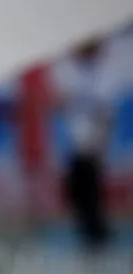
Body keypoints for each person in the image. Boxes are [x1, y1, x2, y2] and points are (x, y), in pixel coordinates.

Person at [53, 39, 113, 249]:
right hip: (75, 146)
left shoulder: (104, 75)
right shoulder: (70, 73)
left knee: (91, 196)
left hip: (93, 146)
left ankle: (97, 239)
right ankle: (88, 236)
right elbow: (61, 105)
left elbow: (106, 115)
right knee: (77, 195)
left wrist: (101, 143)